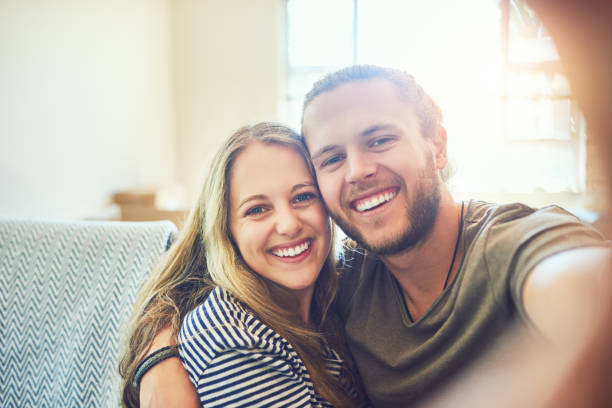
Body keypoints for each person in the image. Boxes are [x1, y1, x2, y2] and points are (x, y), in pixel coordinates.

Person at [300, 64, 610, 407]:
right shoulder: (347, 283)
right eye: (332, 158)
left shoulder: (511, 241)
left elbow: (584, 286)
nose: (357, 171)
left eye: (380, 140)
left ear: (438, 147)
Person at [118, 123, 366, 407]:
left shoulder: (336, 290)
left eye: (303, 196)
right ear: (227, 230)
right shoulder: (232, 337)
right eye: (257, 209)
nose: (288, 224)